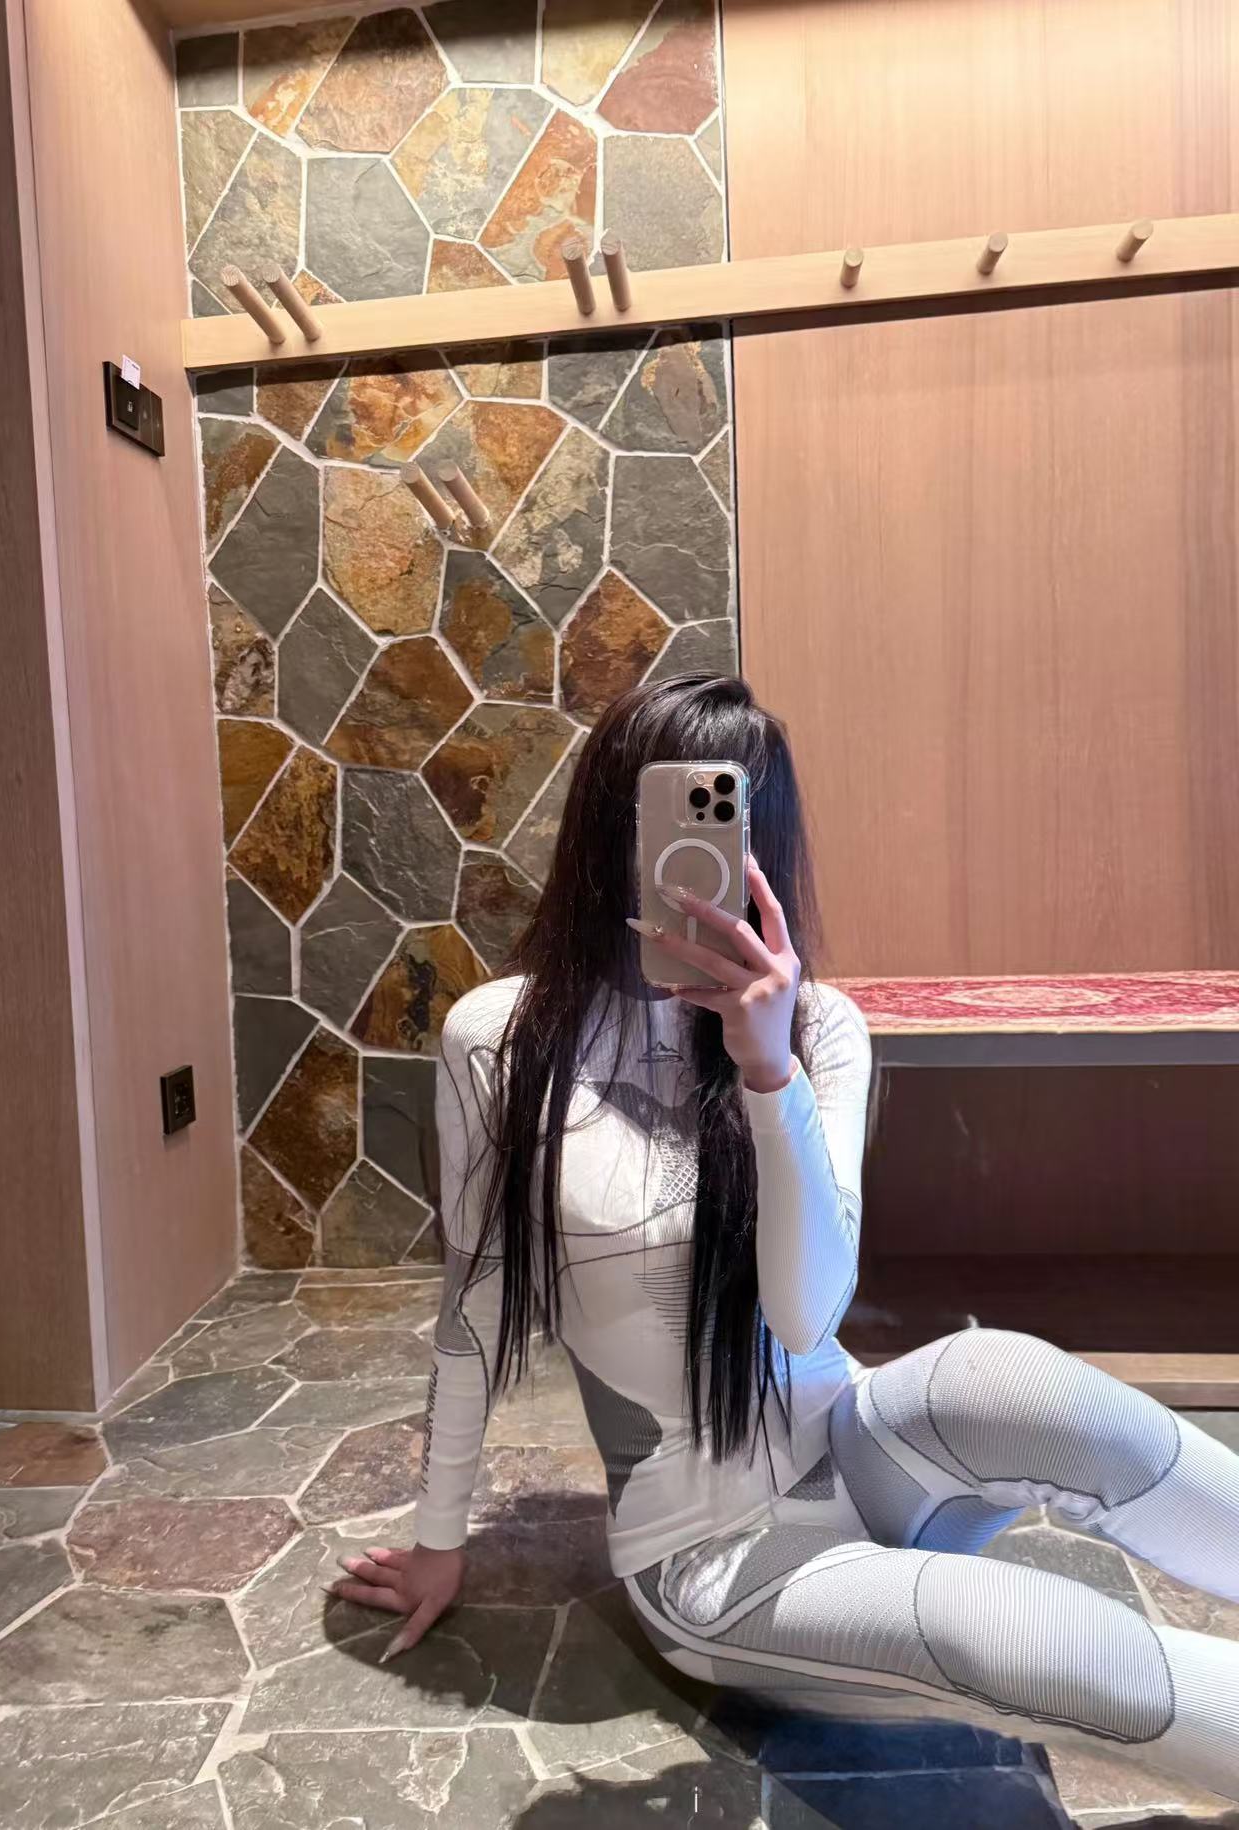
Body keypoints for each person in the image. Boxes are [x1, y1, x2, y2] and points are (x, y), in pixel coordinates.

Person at [330, 675, 1239, 1799]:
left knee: (1012, 1375)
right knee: (1043, 1635)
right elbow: (473, 1305)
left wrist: (768, 1073)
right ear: (611, 827)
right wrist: (439, 1540)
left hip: (856, 1447)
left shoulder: (818, 1028)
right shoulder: (503, 1040)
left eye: (732, 817)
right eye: (669, 812)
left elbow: (806, 1318)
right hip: (711, 1551)